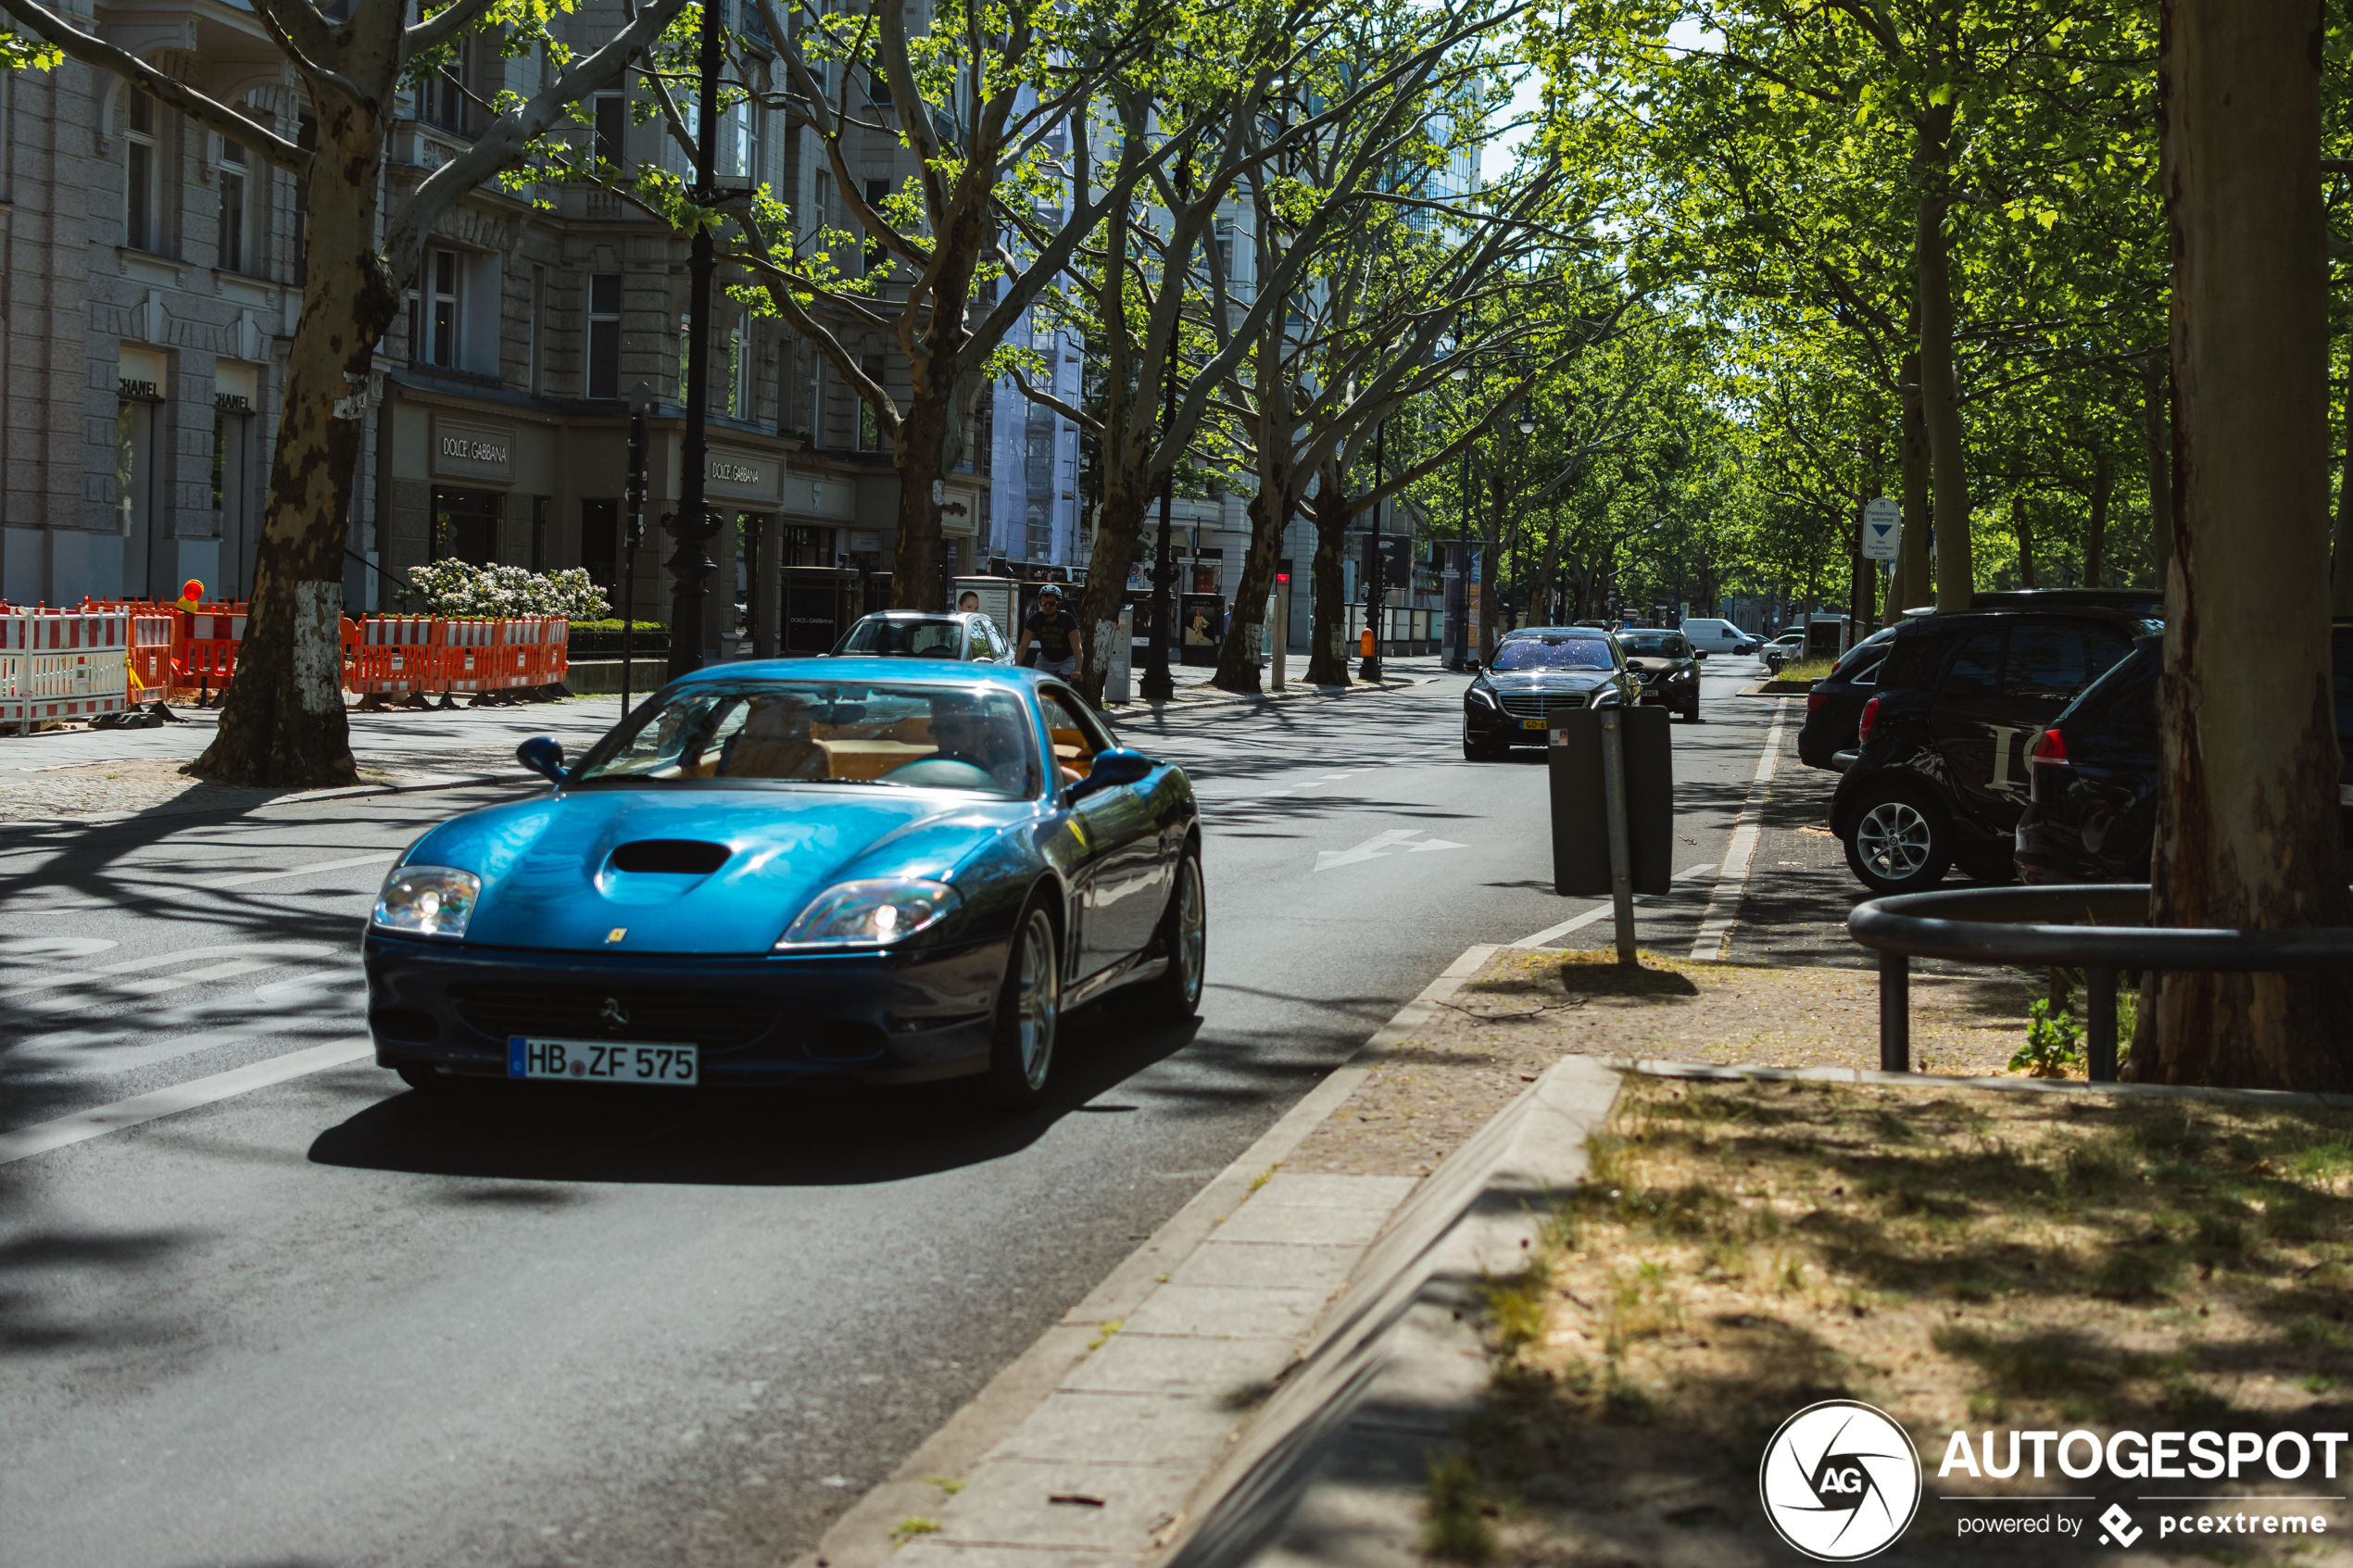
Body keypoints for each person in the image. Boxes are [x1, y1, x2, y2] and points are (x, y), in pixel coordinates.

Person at [1017, 587, 1082, 678]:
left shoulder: (1068, 620)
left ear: (1058, 604)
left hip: (1066, 660)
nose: (1047, 606)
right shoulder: (1034, 619)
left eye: (1051, 604)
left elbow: (1077, 648)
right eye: (1044, 603)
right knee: (1038, 682)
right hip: (1045, 660)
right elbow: (1023, 646)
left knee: (1063, 684)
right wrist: (1017, 665)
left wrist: (1077, 670)